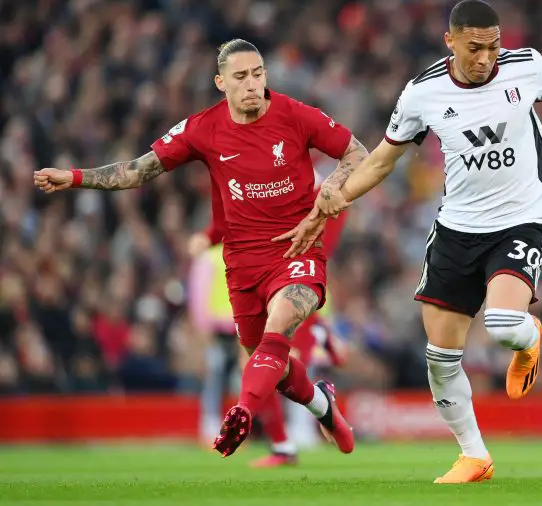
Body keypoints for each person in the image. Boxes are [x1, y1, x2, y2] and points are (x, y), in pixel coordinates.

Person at [286, 0, 542, 483]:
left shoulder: (525, 67)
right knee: (440, 358)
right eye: (476, 47)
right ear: (452, 41)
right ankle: (474, 456)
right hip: (457, 228)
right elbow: (380, 160)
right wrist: (336, 199)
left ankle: (529, 338)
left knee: (503, 324)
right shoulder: (423, 93)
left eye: (494, 45)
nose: (486, 57)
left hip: (521, 218)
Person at [33, 38, 367, 458]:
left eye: (258, 74)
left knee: (279, 325)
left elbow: (357, 153)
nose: (252, 84)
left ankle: (243, 410)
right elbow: (138, 170)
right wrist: (76, 177)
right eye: (241, 77)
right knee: (275, 367)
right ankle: (324, 406)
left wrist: (331, 190)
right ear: (220, 82)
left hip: (298, 251)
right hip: (243, 264)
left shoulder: (295, 115)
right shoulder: (202, 128)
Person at [188, 185, 348, 467]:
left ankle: (290, 433)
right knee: (259, 363)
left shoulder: (314, 181)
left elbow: (331, 222)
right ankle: (291, 436)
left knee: (274, 360)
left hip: (293, 273)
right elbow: (232, 215)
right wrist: (208, 236)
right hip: (260, 276)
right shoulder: (255, 171)